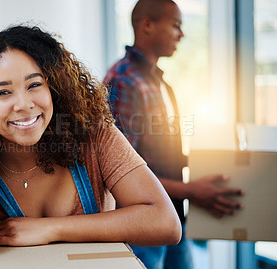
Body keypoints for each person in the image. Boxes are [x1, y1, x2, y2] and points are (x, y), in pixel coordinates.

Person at [0, 24, 182, 258]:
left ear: (55, 87)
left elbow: (166, 223)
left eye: (34, 85)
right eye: (3, 92)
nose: (24, 104)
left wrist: (50, 228)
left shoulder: (95, 135)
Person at [103, 1, 244, 268]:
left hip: (172, 219)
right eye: (176, 25)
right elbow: (117, 173)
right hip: (143, 227)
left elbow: (159, 150)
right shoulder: (123, 81)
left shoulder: (157, 82)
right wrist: (191, 190)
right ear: (147, 25)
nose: (181, 34)